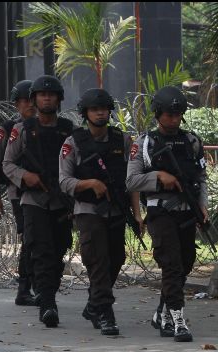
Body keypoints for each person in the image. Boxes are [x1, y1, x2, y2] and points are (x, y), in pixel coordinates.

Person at [126, 86, 208, 343]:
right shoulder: (145, 144)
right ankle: (178, 320)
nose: (173, 119)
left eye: (178, 114)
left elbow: (201, 178)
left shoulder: (192, 142)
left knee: (185, 263)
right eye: (169, 114)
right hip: (160, 211)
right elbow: (132, 181)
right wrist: (159, 177)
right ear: (158, 114)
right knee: (171, 264)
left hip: (187, 211)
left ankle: (162, 311)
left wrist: (203, 206)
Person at [59, 88, 143, 336]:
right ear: (85, 113)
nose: (100, 113)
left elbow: (133, 181)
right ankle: (105, 312)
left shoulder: (123, 140)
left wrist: (137, 214)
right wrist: (89, 184)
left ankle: (94, 303)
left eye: (104, 109)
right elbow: (64, 181)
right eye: (95, 110)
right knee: (98, 260)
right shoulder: (73, 143)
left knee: (116, 258)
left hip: (117, 210)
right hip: (88, 210)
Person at [2, 75, 75, 328]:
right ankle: (47, 304)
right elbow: (7, 164)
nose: (47, 98)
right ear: (35, 99)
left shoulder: (69, 130)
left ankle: (49, 293)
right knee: (40, 250)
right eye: (42, 95)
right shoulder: (22, 130)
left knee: (58, 250)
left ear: (58, 99)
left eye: (51, 95)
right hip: (34, 200)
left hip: (61, 200)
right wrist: (26, 177)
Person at [0, 79, 38, 307]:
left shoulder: (48, 126)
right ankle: (24, 288)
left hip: (47, 193)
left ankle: (39, 285)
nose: (30, 104)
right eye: (25, 101)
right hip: (18, 192)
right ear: (17, 104)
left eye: (33, 100)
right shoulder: (9, 129)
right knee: (30, 239)